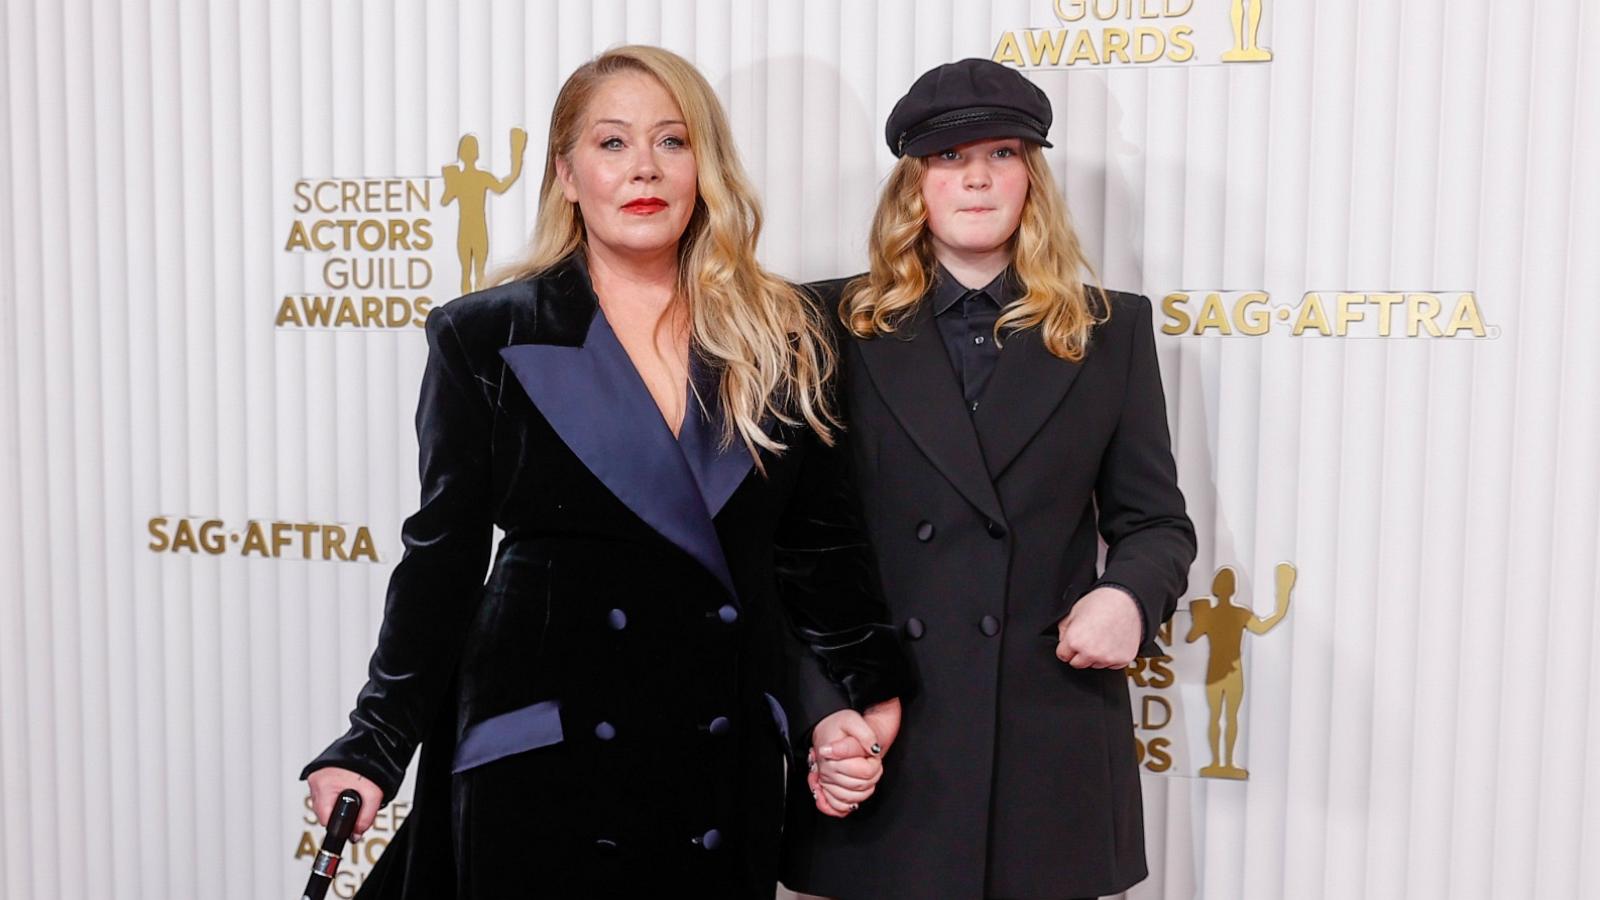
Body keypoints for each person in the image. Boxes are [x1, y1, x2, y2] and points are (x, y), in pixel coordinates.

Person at [301, 45, 909, 899]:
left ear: (707, 166)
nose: (645, 170)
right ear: (567, 173)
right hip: (542, 749)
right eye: (613, 144)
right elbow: (440, 559)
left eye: (673, 140)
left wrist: (871, 689)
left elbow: (819, 544)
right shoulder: (486, 337)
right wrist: (374, 743)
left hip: (716, 749)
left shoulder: (788, 332)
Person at [783, 58, 1197, 900]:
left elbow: (1155, 522)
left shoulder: (1111, 330)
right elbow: (791, 543)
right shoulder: (819, 322)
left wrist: (1129, 596)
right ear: (913, 184)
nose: (976, 175)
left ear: (1031, 177)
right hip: (879, 732)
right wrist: (827, 709)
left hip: (1048, 741)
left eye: (1002, 152)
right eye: (947, 157)